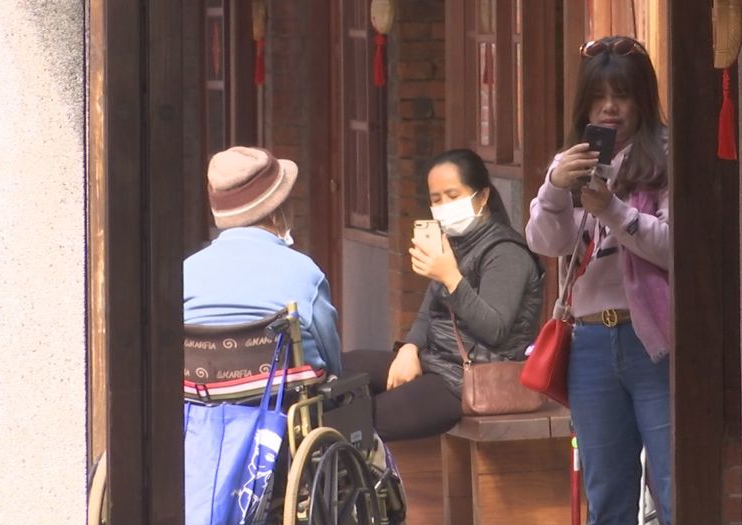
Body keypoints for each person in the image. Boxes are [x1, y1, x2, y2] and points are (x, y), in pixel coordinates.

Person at [525, 36, 672, 525]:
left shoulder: (667, 159)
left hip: (654, 342)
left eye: (622, 95)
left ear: (643, 100)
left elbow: (677, 248)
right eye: (598, 97)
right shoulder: (572, 163)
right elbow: (547, 242)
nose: (609, 107)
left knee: (675, 493)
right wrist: (554, 187)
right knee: (607, 500)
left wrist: (611, 208)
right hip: (589, 342)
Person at [345, 149, 544, 442]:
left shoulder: (506, 253)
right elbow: (429, 313)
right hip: (436, 361)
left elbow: (496, 330)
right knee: (336, 370)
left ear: (483, 196)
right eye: (436, 199)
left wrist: (451, 278)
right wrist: (409, 349)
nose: (443, 206)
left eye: (453, 195)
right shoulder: (455, 244)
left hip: (470, 377)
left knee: (365, 421)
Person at [184, 146, 342, 378]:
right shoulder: (305, 272)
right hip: (288, 410)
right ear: (277, 211)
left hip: (199, 410)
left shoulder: (186, 272)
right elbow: (331, 362)